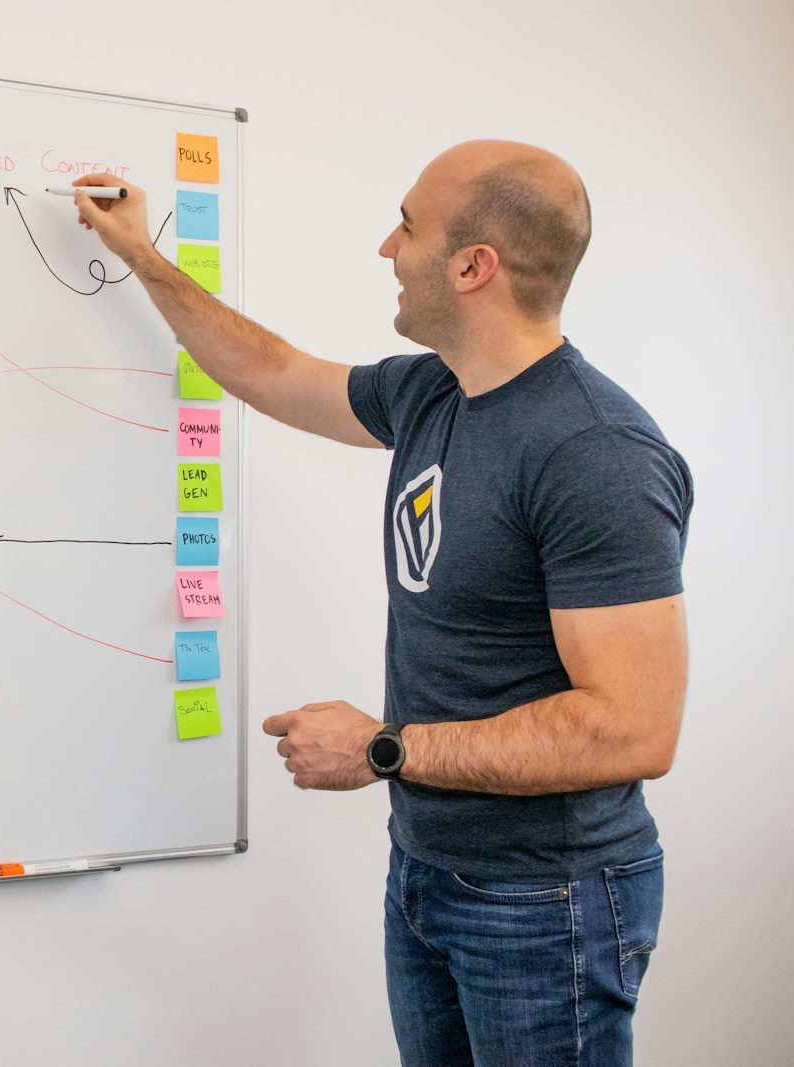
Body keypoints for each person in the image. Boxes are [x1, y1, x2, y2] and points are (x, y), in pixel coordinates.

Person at [71, 142, 691, 1065]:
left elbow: (634, 729)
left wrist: (384, 748)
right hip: (429, 870)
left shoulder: (593, 453)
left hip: (547, 903)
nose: (385, 248)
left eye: (408, 225)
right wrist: (145, 258)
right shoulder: (433, 392)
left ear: (474, 267)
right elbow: (272, 373)